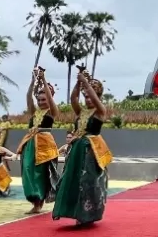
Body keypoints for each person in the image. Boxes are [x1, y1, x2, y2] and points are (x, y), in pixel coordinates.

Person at [52, 70, 113, 226]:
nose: (88, 99)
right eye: (86, 96)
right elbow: (73, 98)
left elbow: (95, 100)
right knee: (72, 180)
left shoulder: (100, 111)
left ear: (98, 96)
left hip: (91, 151)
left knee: (88, 182)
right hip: (77, 149)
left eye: (91, 96)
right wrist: (79, 83)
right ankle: (76, 213)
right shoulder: (81, 111)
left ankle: (88, 215)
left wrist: (85, 83)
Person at [16, 67, 60, 214]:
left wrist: (44, 79)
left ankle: (38, 203)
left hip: (44, 145)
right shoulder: (35, 112)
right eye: (39, 99)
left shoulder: (52, 112)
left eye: (44, 99)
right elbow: (29, 97)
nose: (41, 102)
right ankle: (35, 200)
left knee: (40, 174)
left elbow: (50, 99)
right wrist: (33, 81)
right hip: (30, 144)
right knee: (27, 171)